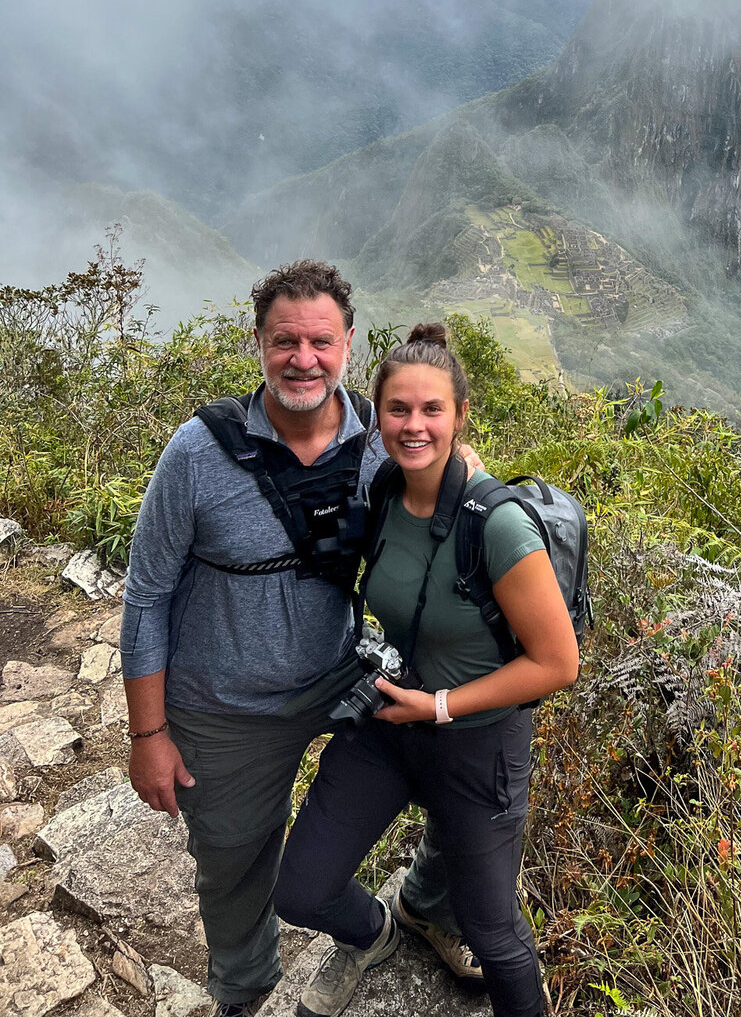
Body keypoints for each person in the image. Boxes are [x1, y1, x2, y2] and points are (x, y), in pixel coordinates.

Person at [120, 261, 479, 1017]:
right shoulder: (198, 452)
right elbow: (148, 593)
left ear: (350, 344)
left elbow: (456, 498)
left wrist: (469, 476)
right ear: (258, 343)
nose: (304, 359)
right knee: (230, 863)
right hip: (223, 703)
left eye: (321, 341)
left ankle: (429, 905)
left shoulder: (382, 444)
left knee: (465, 756)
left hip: (340, 671)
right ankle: (247, 991)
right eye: (286, 341)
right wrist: (148, 731)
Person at [274, 323, 579, 1017]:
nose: (414, 426)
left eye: (432, 409)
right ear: (375, 416)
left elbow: (559, 664)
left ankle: (431, 912)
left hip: (477, 742)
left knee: (495, 938)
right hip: (393, 721)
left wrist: (440, 706)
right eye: (398, 410)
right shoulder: (382, 488)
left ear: (461, 415)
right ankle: (385, 929)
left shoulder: (496, 525)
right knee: (300, 888)